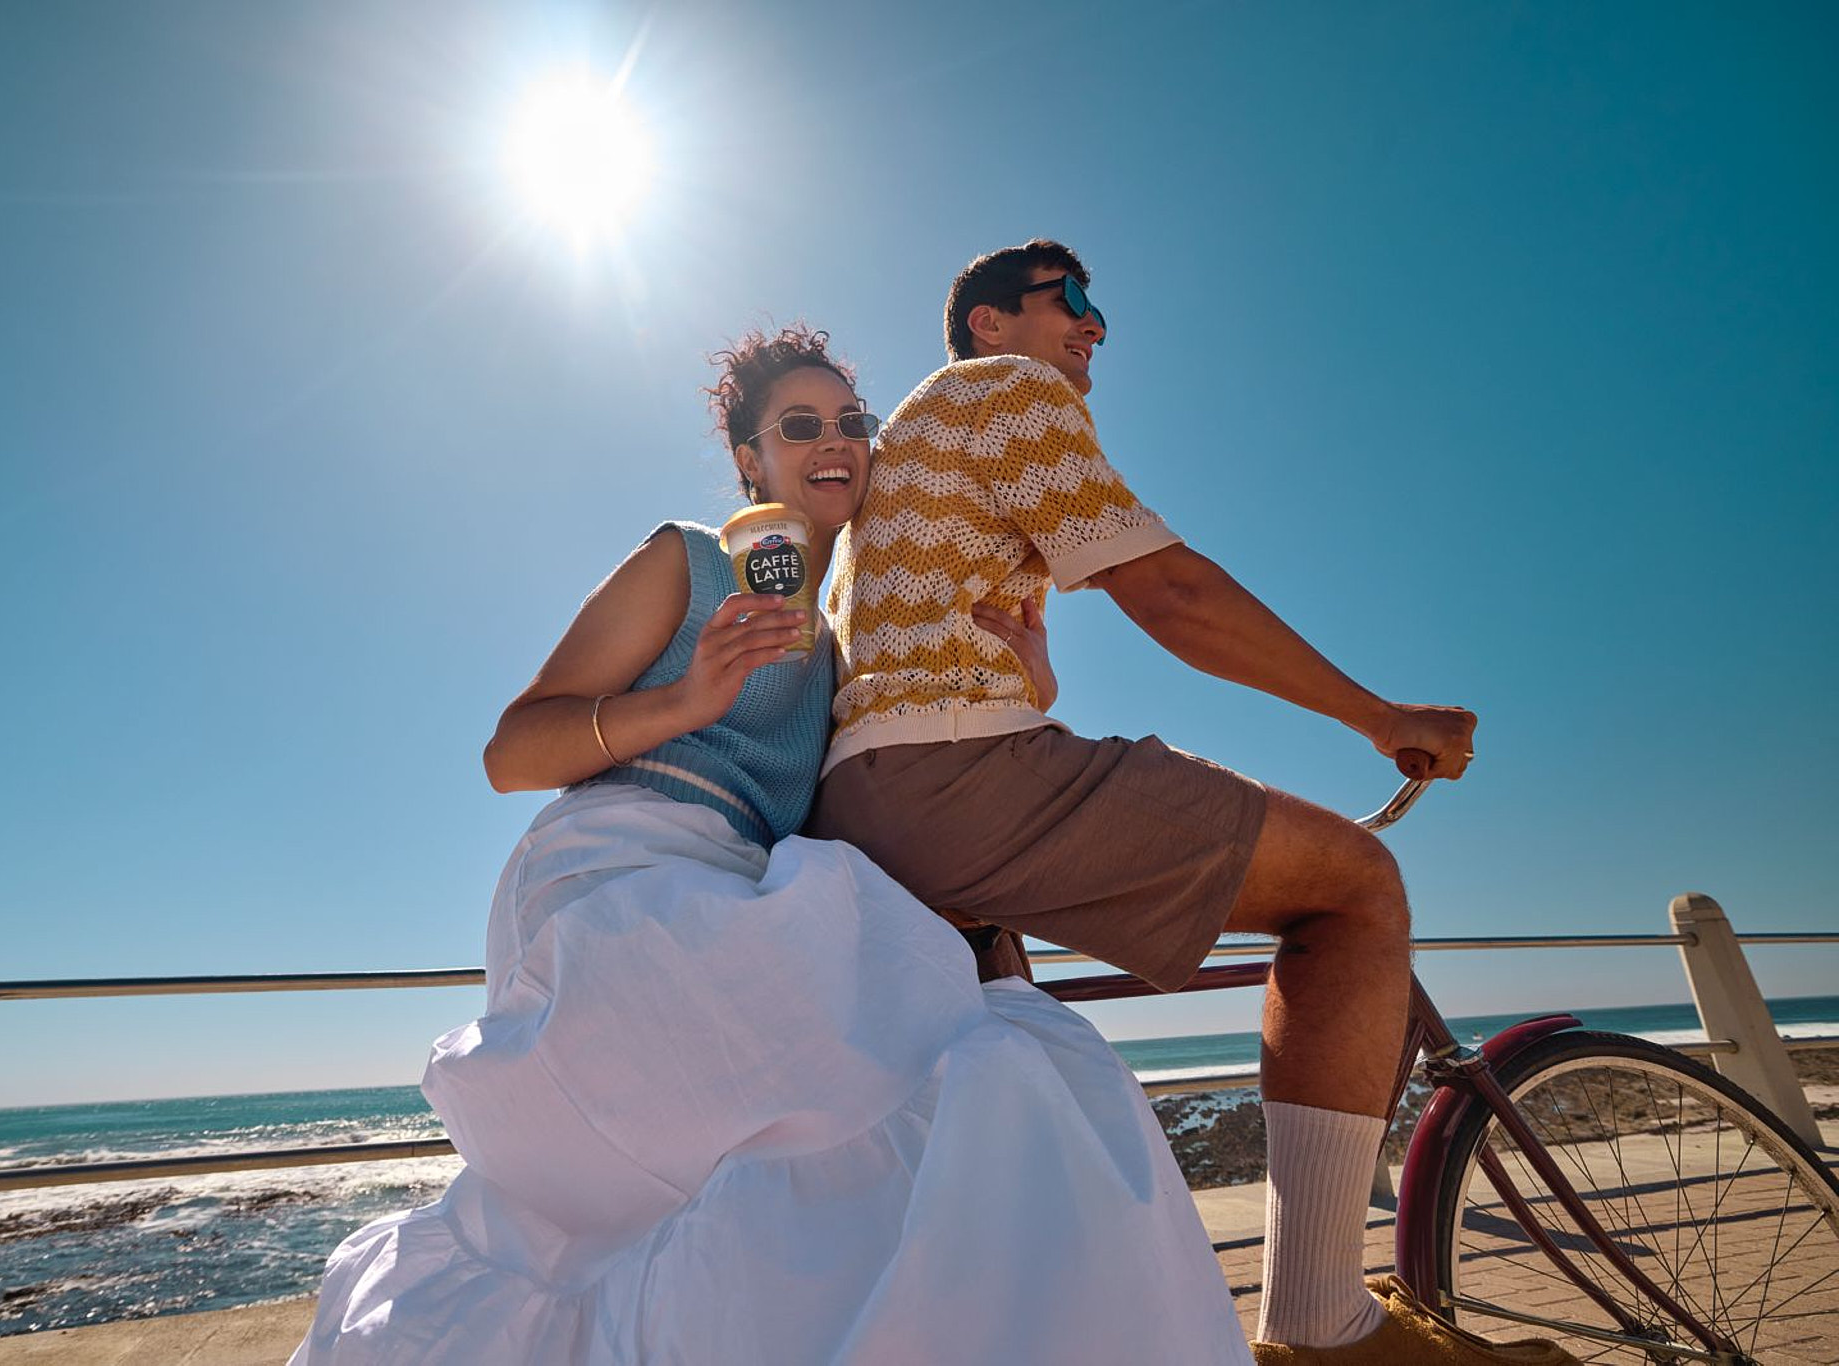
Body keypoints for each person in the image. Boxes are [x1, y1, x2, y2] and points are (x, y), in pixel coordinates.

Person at [289, 326, 1253, 1364]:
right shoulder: (690, 562)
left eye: (851, 421)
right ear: (750, 459)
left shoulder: (838, 649)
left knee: (958, 1085)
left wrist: (1030, 689)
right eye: (799, 424)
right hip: (615, 870)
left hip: (741, 886)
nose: (834, 440)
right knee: (961, 1065)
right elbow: (511, 752)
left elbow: (879, 790)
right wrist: (686, 699)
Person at [809, 242, 1579, 1366]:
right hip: (958, 777)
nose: (1094, 325)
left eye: (1097, 308)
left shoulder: (906, 461)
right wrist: (1377, 716)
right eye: (1069, 299)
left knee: (1010, 1109)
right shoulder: (1004, 389)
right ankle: (1322, 1322)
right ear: (987, 323)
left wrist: (1032, 683)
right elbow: (1168, 591)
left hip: (869, 809)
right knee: (1353, 889)